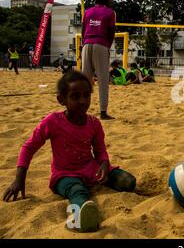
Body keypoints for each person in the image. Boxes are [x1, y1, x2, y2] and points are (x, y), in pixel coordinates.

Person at [2, 71, 136, 232]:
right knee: (78, 191)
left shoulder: (94, 123)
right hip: (64, 175)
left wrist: (104, 164)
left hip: (91, 170)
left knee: (128, 182)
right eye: (75, 96)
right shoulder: (52, 122)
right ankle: (81, 218)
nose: (82, 101)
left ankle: (101, 189)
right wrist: (19, 179)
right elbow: (28, 147)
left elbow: (100, 151)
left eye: (87, 95)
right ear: (61, 100)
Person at [82, 0, 116, 120]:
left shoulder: (88, 11)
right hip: (101, 44)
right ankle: (103, 112)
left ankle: (81, 110)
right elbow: (111, 32)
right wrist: (107, 46)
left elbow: (84, 29)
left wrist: (83, 46)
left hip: (86, 44)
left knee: (85, 80)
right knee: (102, 80)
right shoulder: (110, 12)